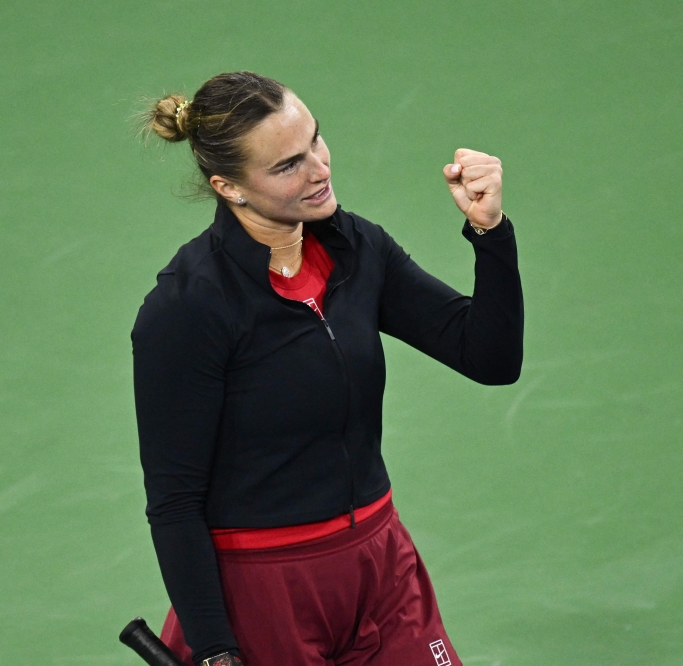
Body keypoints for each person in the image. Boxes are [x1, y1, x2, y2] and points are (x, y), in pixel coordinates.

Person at [131, 71, 523, 666]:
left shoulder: (357, 249)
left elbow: (489, 358)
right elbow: (174, 500)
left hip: (380, 566)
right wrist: (215, 652)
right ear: (229, 187)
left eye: (315, 139)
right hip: (266, 590)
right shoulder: (189, 307)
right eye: (288, 165)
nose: (319, 169)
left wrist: (489, 231)